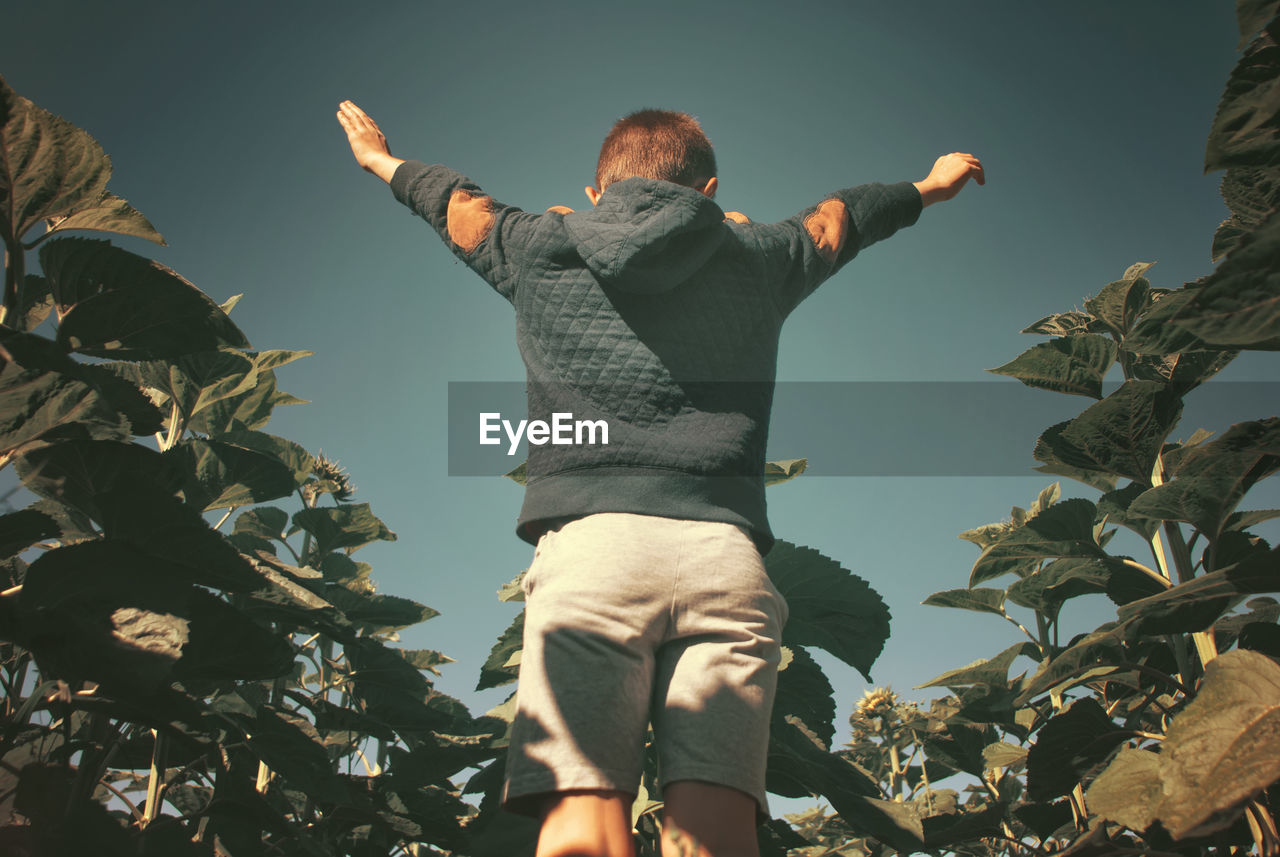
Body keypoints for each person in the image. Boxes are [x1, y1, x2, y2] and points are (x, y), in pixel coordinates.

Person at [338, 101, 983, 857]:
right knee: (714, 836)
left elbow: (455, 204)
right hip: (724, 562)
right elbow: (842, 218)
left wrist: (381, 160)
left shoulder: (537, 245)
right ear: (708, 189)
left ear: (594, 193)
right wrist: (931, 186)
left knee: (582, 827)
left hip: (592, 558)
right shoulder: (760, 254)